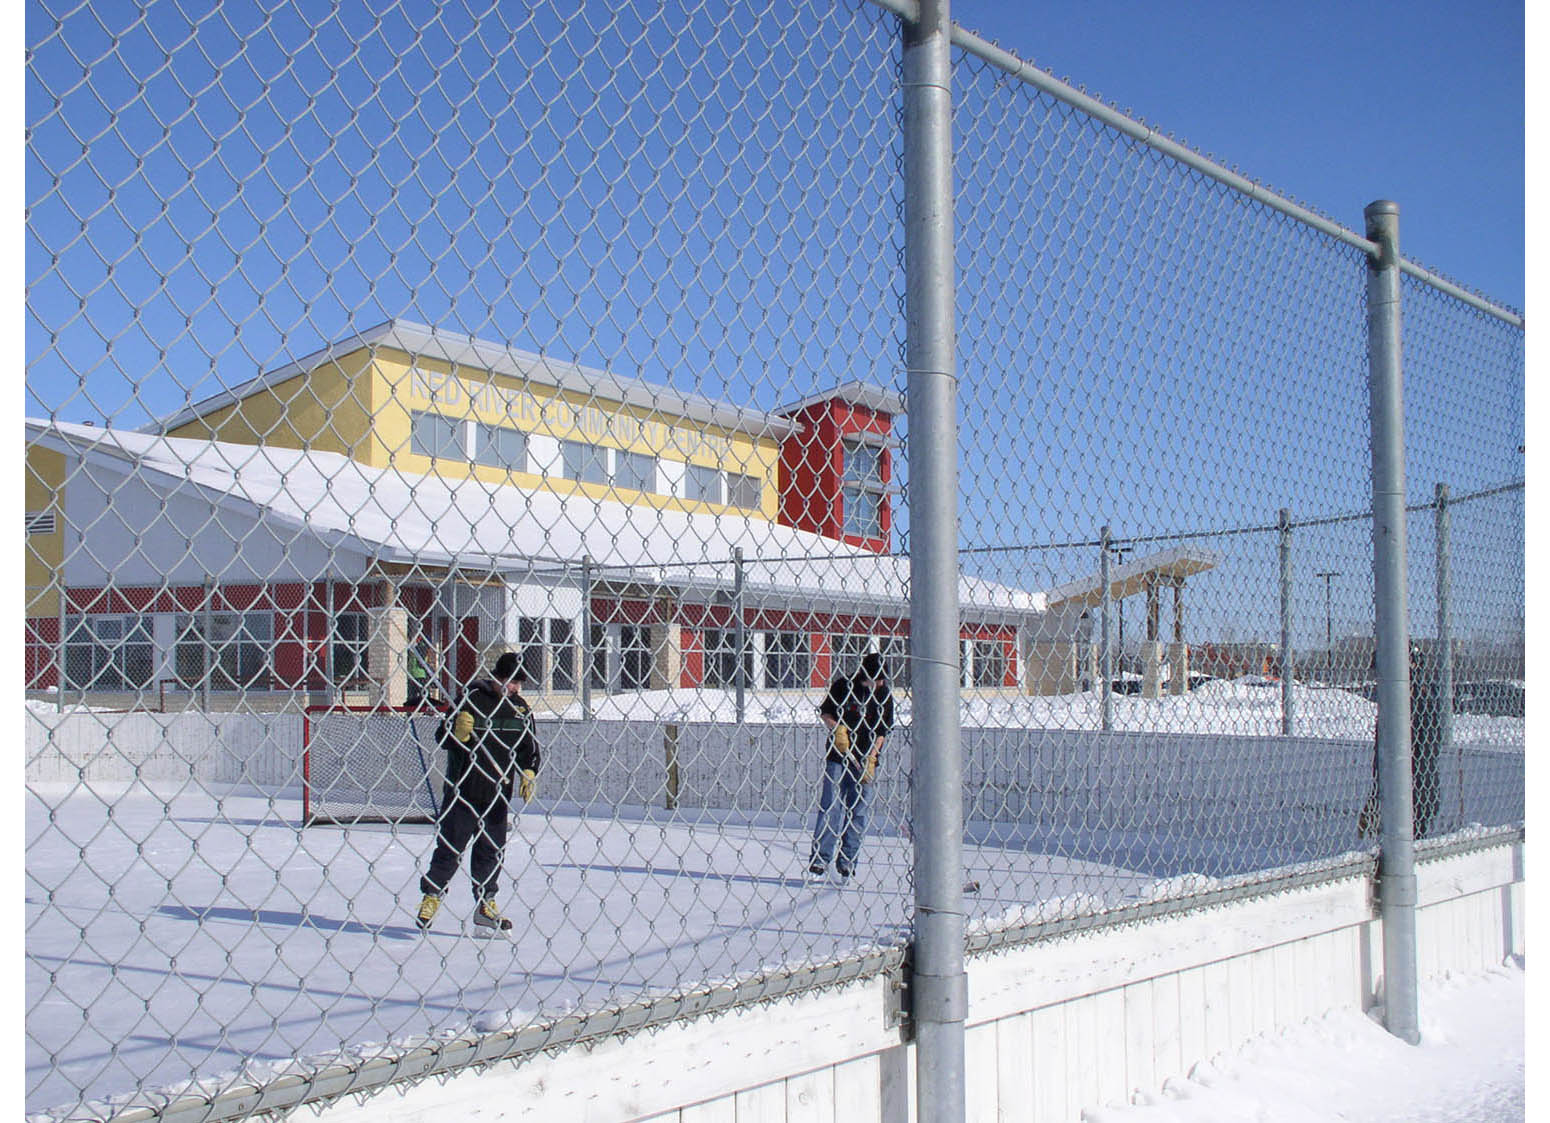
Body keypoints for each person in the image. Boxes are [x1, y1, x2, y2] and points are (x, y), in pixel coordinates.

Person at [416, 651, 541, 933]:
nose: (515, 688)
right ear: (498, 677)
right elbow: (442, 738)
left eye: (519, 683)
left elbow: (530, 748)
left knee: (491, 850)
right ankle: (432, 895)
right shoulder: (471, 700)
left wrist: (529, 771)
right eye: (511, 681)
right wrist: (457, 732)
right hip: (464, 790)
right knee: (451, 847)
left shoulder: (520, 709)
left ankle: (486, 902)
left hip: (497, 792)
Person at [809, 651, 894, 880]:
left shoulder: (884, 694)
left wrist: (872, 758)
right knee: (832, 805)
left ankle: (847, 861)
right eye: (874, 678)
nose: (878, 683)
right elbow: (826, 712)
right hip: (839, 755)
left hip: (864, 758)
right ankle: (820, 859)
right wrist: (837, 729)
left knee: (858, 810)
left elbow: (883, 731)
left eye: (881, 679)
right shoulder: (843, 686)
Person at [1358, 642, 1443, 840]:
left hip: (1414, 791)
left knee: (1409, 839)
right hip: (1399, 788)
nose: (1379, 679)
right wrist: (1377, 792)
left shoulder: (1421, 701)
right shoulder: (1392, 705)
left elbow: (1424, 755)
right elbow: (1382, 755)